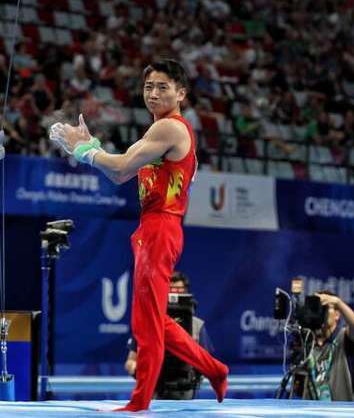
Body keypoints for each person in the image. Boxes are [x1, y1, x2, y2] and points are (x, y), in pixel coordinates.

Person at [49, 59, 228, 411]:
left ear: (181, 93)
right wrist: (91, 146)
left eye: (163, 87)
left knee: (146, 324)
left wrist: (84, 150)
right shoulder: (156, 132)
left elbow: (118, 166)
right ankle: (214, 369)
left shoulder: (170, 129)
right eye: (148, 87)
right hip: (152, 227)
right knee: (150, 319)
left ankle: (140, 402)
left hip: (161, 227)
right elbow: (120, 174)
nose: (153, 94)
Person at [124, 270, 212, 400]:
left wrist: (198, 372)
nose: (174, 295)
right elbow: (131, 360)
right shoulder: (147, 324)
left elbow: (206, 362)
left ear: (186, 293)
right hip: (152, 390)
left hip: (184, 392)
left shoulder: (197, 326)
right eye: (170, 291)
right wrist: (136, 369)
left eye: (179, 291)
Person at [303, 291, 354, 401]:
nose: (321, 312)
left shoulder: (344, 338)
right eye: (318, 308)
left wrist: (337, 302)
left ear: (337, 314)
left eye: (326, 308)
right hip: (314, 409)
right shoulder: (308, 344)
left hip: (342, 410)